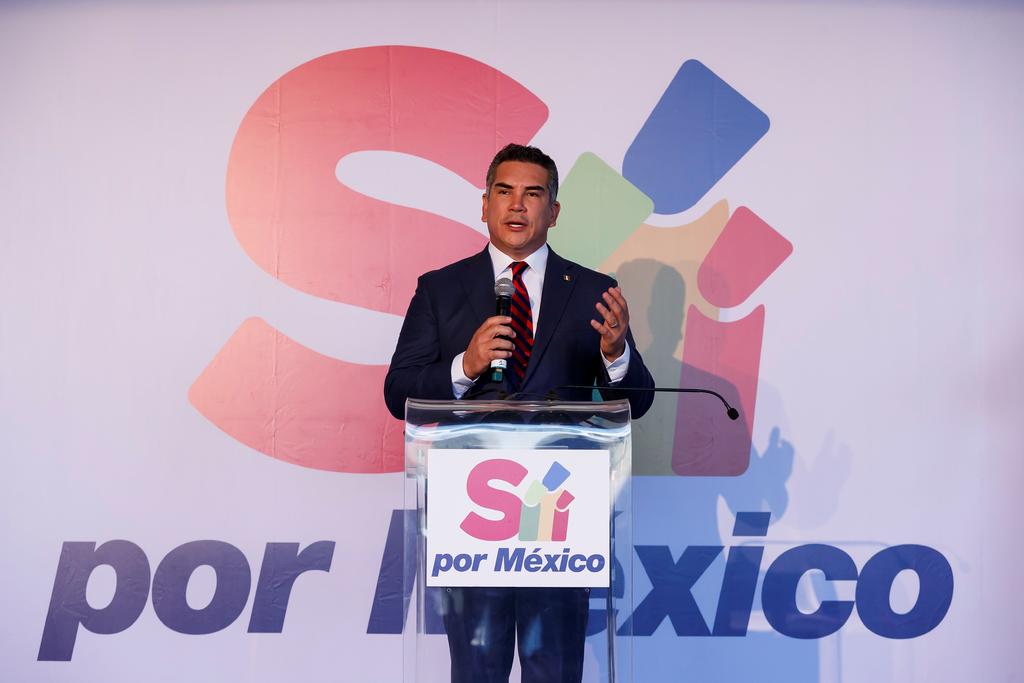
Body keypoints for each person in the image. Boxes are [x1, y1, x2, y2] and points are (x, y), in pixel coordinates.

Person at [384, 143, 654, 683]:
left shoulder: (594, 291)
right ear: (484, 204)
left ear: (554, 211)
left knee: (553, 668)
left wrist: (614, 353)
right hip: (472, 510)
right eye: (504, 191)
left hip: (560, 509)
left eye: (533, 194)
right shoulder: (440, 289)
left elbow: (638, 399)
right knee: (477, 669)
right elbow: (398, 392)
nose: (517, 205)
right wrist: (465, 365)